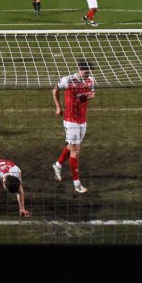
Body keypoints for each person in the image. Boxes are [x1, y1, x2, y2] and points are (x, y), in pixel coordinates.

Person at [52, 59, 96, 193]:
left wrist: (90, 95)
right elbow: (54, 90)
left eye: (89, 73)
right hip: (71, 120)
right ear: (80, 70)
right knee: (76, 150)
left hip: (83, 120)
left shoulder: (90, 80)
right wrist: (58, 107)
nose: (87, 75)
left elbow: (92, 93)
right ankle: (76, 183)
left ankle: (57, 165)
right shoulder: (68, 80)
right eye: (85, 72)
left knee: (72, 146)